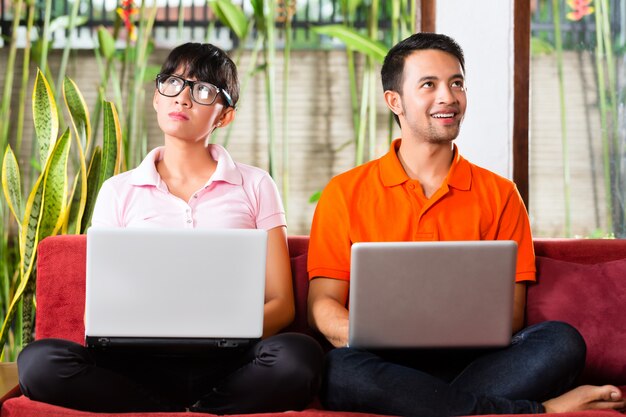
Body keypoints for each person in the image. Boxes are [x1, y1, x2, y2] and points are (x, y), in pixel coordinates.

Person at [307, 32, 625, 416]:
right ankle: (536, 411)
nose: (448, 97)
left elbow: (510, 314)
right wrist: (393, 336)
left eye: (456, 83)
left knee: (561, 341)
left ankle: (431, 404)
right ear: (395, 101)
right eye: (429, 84)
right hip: (382, 362)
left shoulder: (500, 194)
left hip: (477, 363)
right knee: (340, 370)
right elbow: (322, 306)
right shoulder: (345, 192)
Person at [17, 42, 323, 414]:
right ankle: (185, 408)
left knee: (298, 357)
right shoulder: (118, 191)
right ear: (157, 99)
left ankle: (187, 408)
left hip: (231, 361)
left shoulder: (256, 185)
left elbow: (282, 304)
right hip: (137, 364)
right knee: (38, 362)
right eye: (173, 83)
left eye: (204, 90)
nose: (183, 98)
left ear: (224, 116)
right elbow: (98, 307)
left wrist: (223, 327)